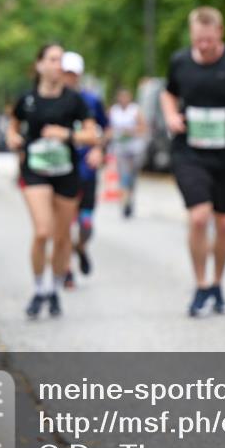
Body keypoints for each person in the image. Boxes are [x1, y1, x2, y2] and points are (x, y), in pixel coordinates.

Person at [161, 7, 225, 316]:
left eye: (209, 41)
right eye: (198, 41)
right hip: (190, 151)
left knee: (224, 223)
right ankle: (200, 284)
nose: (204, 46)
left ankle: (217, 282)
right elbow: (168, 93)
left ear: (221, 33)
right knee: (199, 217)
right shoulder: (180, 61)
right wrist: (171, 115)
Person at [7, 44, 98, 319]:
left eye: (60, 60)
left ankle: (54, 289)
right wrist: (12, 137)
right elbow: (13, 124)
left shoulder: (74, 100)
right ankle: (38, 289)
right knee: (42, 232)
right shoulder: (27, 99)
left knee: (61, 239)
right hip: (34, 170)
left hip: (66, 172)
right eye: (52, 59)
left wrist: (67, 135)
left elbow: (92, 135)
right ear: (39, 65)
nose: (57, 65)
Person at [61, 51, 110, 286]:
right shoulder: (54, 102)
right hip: (62, 169)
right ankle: (67, 269)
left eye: (73, 73)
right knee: (64, 222)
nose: (69, 78)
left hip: (87, 169)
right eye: (65, 73)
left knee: (86, 223)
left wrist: (98, 149)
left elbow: (106, 128)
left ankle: (80, 247)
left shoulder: (91, 100)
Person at [109, 88, 147, 218]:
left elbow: (143, 127)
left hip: (135, 149)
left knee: (132, 178)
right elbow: (109, 128)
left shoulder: (135, 110)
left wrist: (131, 130)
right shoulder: (114, 111)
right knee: (124, 176)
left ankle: (130, 199)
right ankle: (124, 203)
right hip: (120, 149)